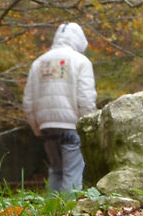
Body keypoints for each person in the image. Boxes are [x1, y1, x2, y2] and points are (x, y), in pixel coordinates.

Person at [22, 22, 95, 192]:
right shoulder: (81, 62)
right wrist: (89, 128)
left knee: (55, 170)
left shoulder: (38, 63)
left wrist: (37, 128)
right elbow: (86, 98)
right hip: (72, 126)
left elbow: (28, 101)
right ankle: (68, 215)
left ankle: (51, 213)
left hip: (47, 127)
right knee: (73, 173)